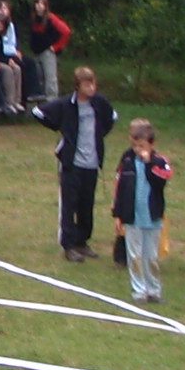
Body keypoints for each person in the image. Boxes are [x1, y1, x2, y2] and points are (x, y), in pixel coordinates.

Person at [34, 66, 117, 262]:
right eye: (86, 85)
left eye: (93, 84)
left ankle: (82, 241)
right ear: (78, 86)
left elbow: (112, 117)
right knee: (69, 205)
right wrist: (60, 128)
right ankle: (69, 245)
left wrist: (100, 134)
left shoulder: (99, 103)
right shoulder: (66, 104)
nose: (91, 88)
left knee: (86, 205)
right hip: (72, 164)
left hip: (92, 163)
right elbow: (38, 112)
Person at [112, 118, 173, 303]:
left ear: (152, 145)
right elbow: (120, 187)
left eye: (142, 146)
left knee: (151, 256)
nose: (138, 150)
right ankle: (139, 291)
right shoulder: (127, 161)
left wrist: (149, 164)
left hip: (152, 217)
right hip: (132, 217)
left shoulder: (160, 161)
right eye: (135, 146)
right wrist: (118, 214)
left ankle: (154, 289)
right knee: (135, 256)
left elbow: (162, 180)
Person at [25, 0, 73, 102]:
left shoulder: (51, 19)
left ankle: (52, 101)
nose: (39, 6)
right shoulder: (34, 19)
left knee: (50, 78)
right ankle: (42, 101)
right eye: (37, 3)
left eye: (42, 4)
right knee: (39, 77)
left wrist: (56, 47)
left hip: (48, 52)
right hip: (37, 52)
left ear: (46, 6)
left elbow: (66, 31)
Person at [0, 3, 25, 112]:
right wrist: (7, 61)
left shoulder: (0, 35)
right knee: (8, 70)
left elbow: (2, 51)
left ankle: (17, 101)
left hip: (2, 58)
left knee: (17, 69)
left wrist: (9, 60)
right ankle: (9, 101)